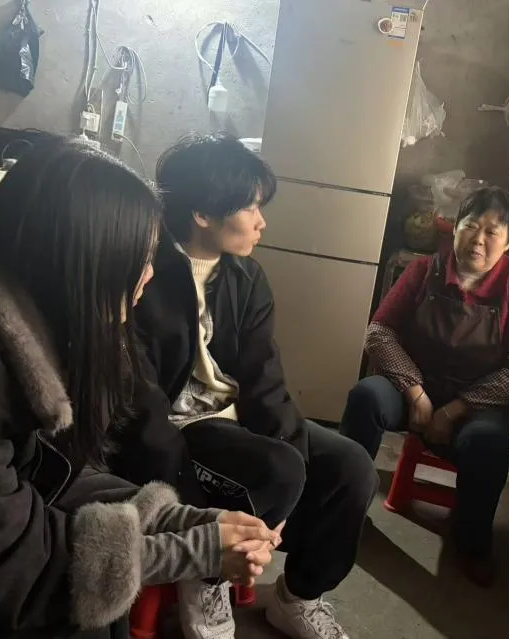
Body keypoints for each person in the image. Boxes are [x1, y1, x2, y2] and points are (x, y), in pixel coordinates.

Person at [0, 139, 281, 639]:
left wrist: (182, 519)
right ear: (80, 259)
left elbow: (55, 471)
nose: (150, 275)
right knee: (90, 612)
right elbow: (11, 565)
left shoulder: (36, 332)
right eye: (139, 258)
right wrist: (195, 551)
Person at [135, 133, 379, 639]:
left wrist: (295, 476)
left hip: (230, 419)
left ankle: (298, 597)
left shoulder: (246, 278)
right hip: (175, 429)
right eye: (250, 207)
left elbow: (265, 380)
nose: (261, 222)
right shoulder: (144, 274)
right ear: (203, 213)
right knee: (277, 471)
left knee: (350, 466)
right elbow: (141, 401)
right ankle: (206, 574)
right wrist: (178, 496)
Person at [340, 186, 509, 588]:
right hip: (416, 387)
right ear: (455, 228)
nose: (478, 239)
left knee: (488, 442)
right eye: (471, 226)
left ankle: (471, 543)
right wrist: (415, 391)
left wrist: (456, 409)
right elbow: (380, 332)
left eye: (492, 231)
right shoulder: (424, 271)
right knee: (366, 397)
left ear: (508, 243)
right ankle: (345, 510)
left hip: (479, 403)